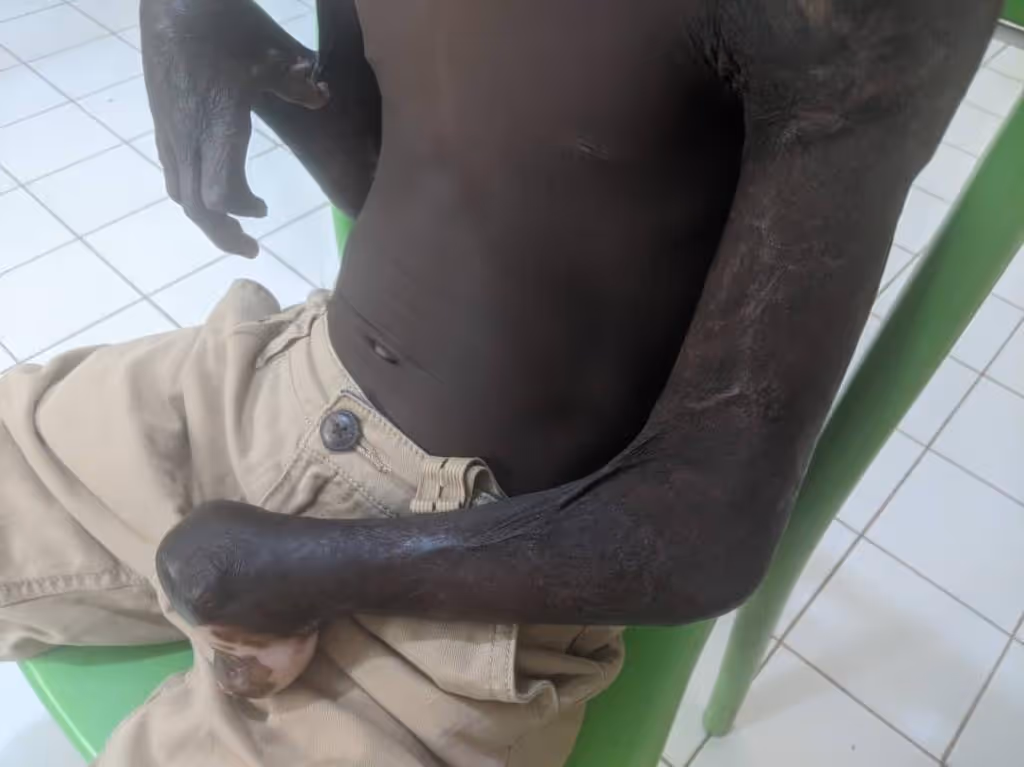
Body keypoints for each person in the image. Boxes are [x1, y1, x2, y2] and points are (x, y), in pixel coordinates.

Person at [0, 0, 1001, 764]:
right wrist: (219, 32)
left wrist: (310, 566)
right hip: (280, 384)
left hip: (497, 566)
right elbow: (401, 172)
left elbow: (707, 526)